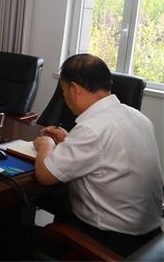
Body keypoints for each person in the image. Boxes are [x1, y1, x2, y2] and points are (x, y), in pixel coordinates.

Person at [33, 54, 162, 257]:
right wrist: (70, 139)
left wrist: (46, 145)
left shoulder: (91, 128)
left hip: (107, 241)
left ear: (74, 89)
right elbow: (108, 153)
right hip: (148, 238)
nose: (65, 99)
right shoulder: (139, 118)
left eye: (64, 92)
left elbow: (45, 175)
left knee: (18, 239)